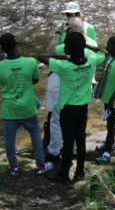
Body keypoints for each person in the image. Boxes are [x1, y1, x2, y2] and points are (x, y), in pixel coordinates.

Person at [38, 32, 105, 183]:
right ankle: (80, 171)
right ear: (82, 47)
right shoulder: (91, 61)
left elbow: (41, 56)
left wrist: (63, 56)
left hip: (67, 109)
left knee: (68, 142)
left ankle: (64, 174)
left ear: (67, 48)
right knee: (80, 139)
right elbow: (102, 53)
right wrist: (86, 45)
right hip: (82, 107)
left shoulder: (63, 65)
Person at [0, 33, 53, 176]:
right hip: (27, 107)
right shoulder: (31, 62)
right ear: (16, 44)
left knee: (9, 139)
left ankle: (13, 167)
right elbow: (35, 80)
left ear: (2, 49)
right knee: (35, 134)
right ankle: (40, 165)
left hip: (10, 109)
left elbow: (0, 83)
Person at [42, 16, 98, 163]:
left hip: (64, 89)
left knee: (56, 120)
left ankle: (54, 152)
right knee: (79, 130)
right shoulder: (91, 44)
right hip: (82, 93)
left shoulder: (67, 46)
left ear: (72, 29)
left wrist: (59, 33)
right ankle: (75, 153)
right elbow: (100, 56)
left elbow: (48, 51)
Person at [93, 36, 115, 164]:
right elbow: (104, 51)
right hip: (108, 98)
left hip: (113, 99)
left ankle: (107, 152)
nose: (107, 47)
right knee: (108, 123)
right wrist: (92, 48)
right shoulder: (112, 56)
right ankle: (109, 144)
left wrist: (112, 100)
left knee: (111, 125)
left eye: (109, 45)